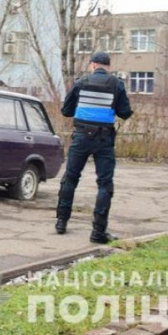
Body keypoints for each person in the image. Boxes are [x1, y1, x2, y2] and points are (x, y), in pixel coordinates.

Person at [55, 51, 133, 244]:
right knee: (105, 184)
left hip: (81, 136)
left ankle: (61, 222)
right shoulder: (117, 84)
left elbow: (66, 111)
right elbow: (125, 113)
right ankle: (98, 232)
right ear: (109, 67)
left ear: (92, 65)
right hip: (104, 139)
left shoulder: (81, 83)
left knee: (70, 178)